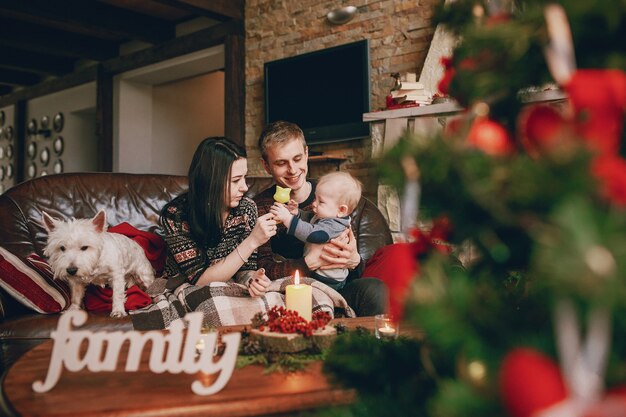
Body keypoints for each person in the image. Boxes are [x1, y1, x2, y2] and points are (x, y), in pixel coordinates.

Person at [253, 121, 387, 316]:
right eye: (281, 163)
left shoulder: (333, 194)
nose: (293, 169)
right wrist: (307, 264)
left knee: (374, 289)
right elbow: (261, 268)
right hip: (289, 292)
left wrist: (354, 260)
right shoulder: (259, 207)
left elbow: (355, 267)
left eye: (298, 158)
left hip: (338, 287)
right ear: (266, 166)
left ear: (307, 154)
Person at [160, 136, 277, 296]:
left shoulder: (246, 208)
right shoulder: (175, 216)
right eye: (236, 180)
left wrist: (252, 281)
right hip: (186, 285)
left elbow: (245, 269)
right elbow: (199, 280)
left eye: (245, 178)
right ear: (210, 182)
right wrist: (253, 241)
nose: (244, 187)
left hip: (229, 283)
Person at [270, 171, 362, 291]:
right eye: (315, 198)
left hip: (327, 280)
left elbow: (313, 234)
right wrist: (297, 213)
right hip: (316, 272)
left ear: (341, 210)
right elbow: (310, 219)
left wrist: (288, 219)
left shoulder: (335, 226)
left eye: (321, 202)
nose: (314, 204)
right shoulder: (328, 216)